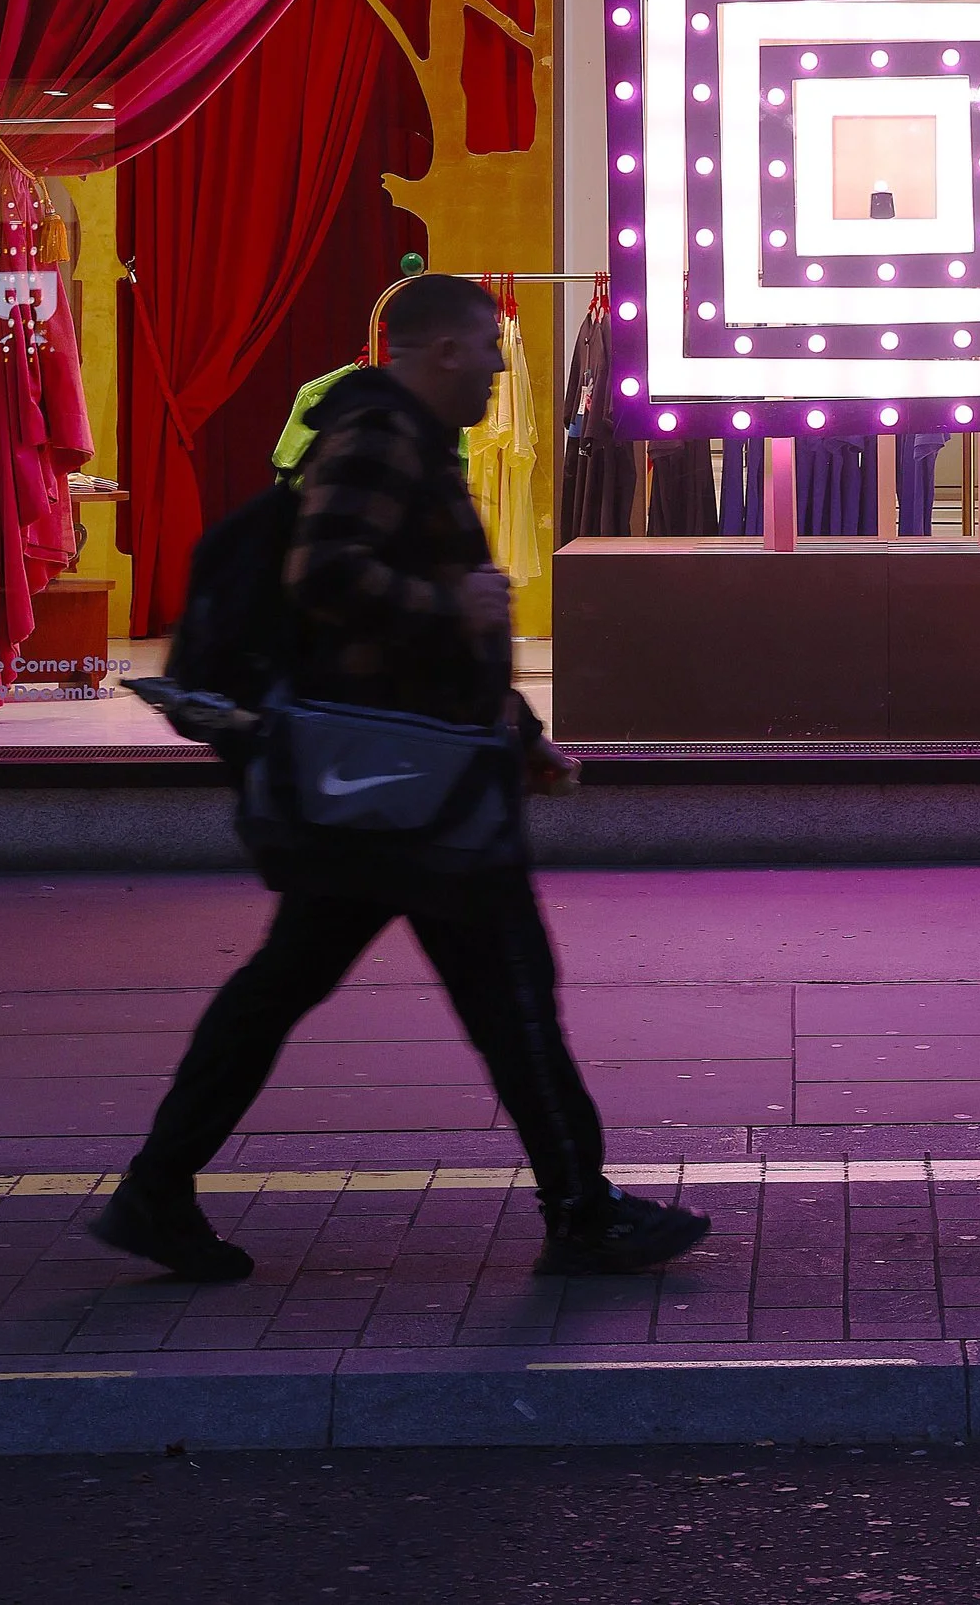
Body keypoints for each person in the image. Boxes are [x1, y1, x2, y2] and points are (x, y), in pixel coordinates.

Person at [92, 270, 709, 1286]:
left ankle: (158, 1187)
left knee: (293, 987)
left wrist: (516, 729)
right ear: (441, 351)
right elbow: (329, 574)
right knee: (508, 994)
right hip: (407, 791)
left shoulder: (406, 435)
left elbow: (421, 609)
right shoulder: (380, 434)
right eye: (492, 350)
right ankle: (582, 1208)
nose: (504, 371)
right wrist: (452, 615)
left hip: (398, 781)